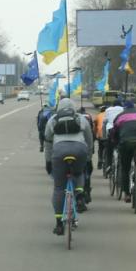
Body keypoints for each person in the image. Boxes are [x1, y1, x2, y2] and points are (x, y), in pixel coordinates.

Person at [44, 98, 94, 235]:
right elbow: (89, 139)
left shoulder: (52, 120)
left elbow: (47, 142)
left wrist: (48, 161)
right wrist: (88, 157)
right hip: (80, 149)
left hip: (59, 151)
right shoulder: (81, 118)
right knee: (79, 172)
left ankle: (59, 223)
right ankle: (79, 197)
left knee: (59, 187)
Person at [111, 101, 136, 203]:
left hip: (125, 143)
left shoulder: (120, 116)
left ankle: (127, 194)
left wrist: (115, 143)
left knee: (125, 168)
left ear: (124, 108)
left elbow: (115, 132)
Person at [102, 100, 125, 175]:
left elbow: (105, 122)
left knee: (109, 148)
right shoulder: (123, 109)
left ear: (113, 105)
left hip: (111, 130)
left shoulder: (108, 110)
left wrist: (104, 136)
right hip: (121, 130)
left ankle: (109, 165)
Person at [79, 106, 95, 203]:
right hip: (82, 150)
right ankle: (87, 191)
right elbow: (90, 138)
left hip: (60, 151)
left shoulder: (57, 119)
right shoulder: (87, 118)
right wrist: (90, 154)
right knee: (87, 170)